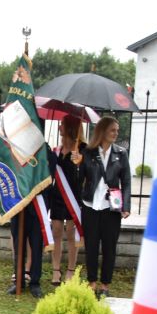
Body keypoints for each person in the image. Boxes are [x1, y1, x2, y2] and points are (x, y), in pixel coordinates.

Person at [80, 116, 130, 299]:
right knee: (91, 246)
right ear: (102, 131)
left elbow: (126, 181)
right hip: (90, 206)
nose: (116, 133)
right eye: (112, 130)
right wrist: (77, 163)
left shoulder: (121, 153)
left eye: (117, 130)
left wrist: (126, 205)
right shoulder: (88, 152)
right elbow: (80, 179)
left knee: (110, 247)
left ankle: (105, 284)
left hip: (111, 208)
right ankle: (92, 282)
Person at [47, 117, 85, 286]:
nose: (59, 127)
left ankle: (70, 269)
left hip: (74, 197)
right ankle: (56, 270)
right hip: (57, 196)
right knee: (56, 231)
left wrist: (80, 162)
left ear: (70, 128)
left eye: (62, 124)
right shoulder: (57, 150)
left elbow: (88, 174)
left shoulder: (83, 149)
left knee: (71, 233)